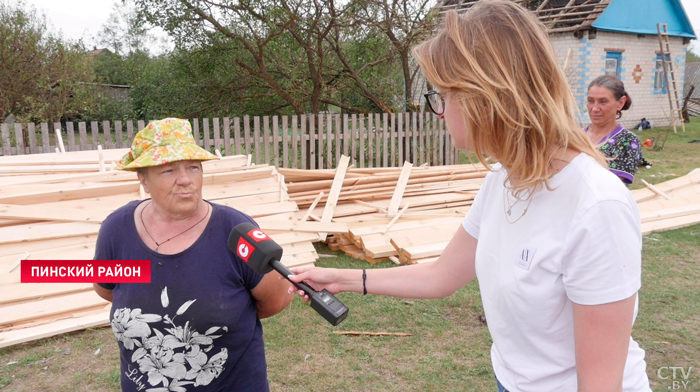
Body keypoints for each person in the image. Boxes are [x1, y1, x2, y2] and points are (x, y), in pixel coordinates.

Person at [288, 2, 651, 392]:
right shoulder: (502, 179)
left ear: (486, 96)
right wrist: (340, 278)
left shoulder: (598, 207)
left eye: (443, 94)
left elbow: (600, 384)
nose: (438, 111)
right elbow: (440, 277)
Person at [93, 118, 292, 392]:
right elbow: (107, 290)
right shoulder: (116, 229)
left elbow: (275, 299)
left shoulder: (235, 230)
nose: (185, 179)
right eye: (168, 170)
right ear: (143, 179)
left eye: (193, 168)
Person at [586, 75, 644, 185]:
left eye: (603, 102)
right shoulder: (576, 136)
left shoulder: (627, 141)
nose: (594, 109)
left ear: (620, 103)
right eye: (590, 101)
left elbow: (612, 186)